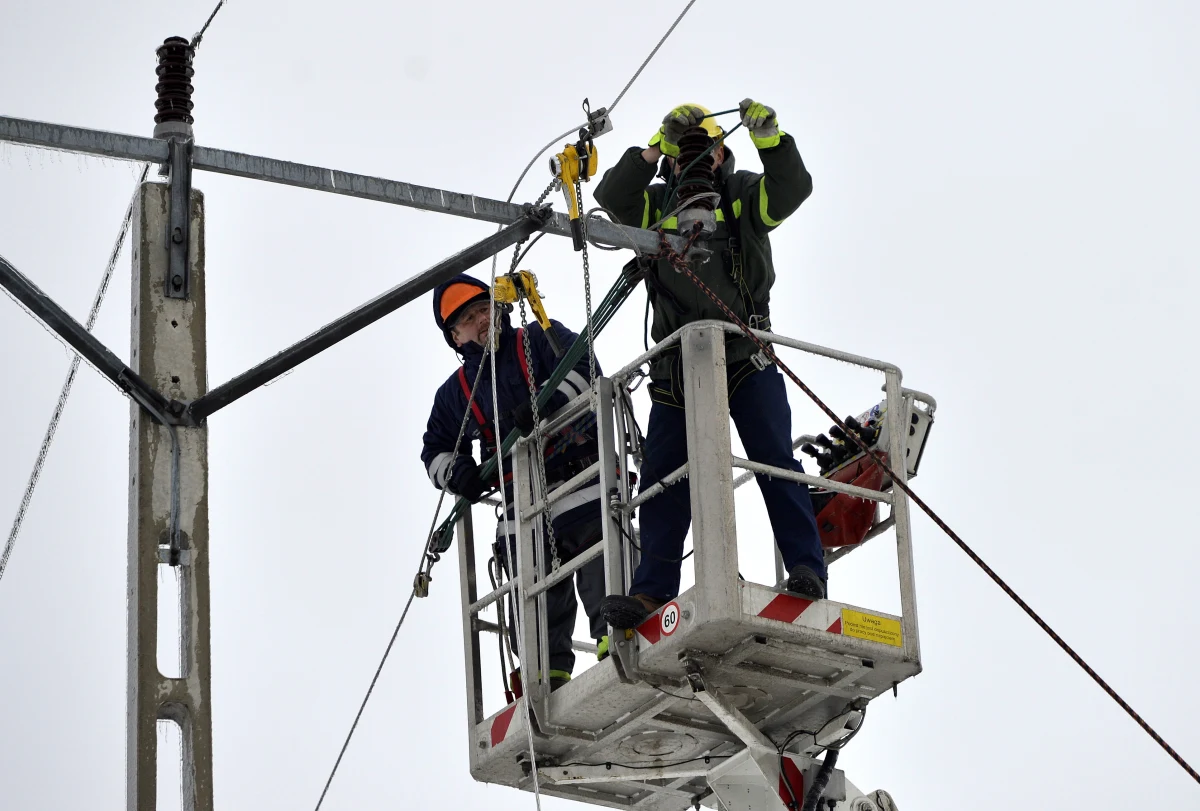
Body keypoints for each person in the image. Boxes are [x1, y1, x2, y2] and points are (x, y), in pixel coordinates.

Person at [593, 100, 827, 629]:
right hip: (678, 364)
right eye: (687, 153)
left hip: (745, 353)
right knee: (662, 480)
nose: (698, 161)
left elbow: (791, 189)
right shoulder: (658, 204)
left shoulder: (743, 195)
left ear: (725, 154)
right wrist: (654, 147)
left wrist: (770, 138)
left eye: (708, 149)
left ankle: (807, 569)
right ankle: (651, 593)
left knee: (772, 460)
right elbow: (612, 196)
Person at [421, 273, 607, 690]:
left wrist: (548, 400)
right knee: (535, 605)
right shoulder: (456, 394)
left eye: (485, 308)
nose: (482, 319)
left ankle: (620, 642)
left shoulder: (539, 337)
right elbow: (435, 449)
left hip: (583, 484)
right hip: (522, 513)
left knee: (604, 577)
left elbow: (585, 366)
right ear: (455, 337)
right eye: (469, 318)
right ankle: (545, 684)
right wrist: (459, 474)